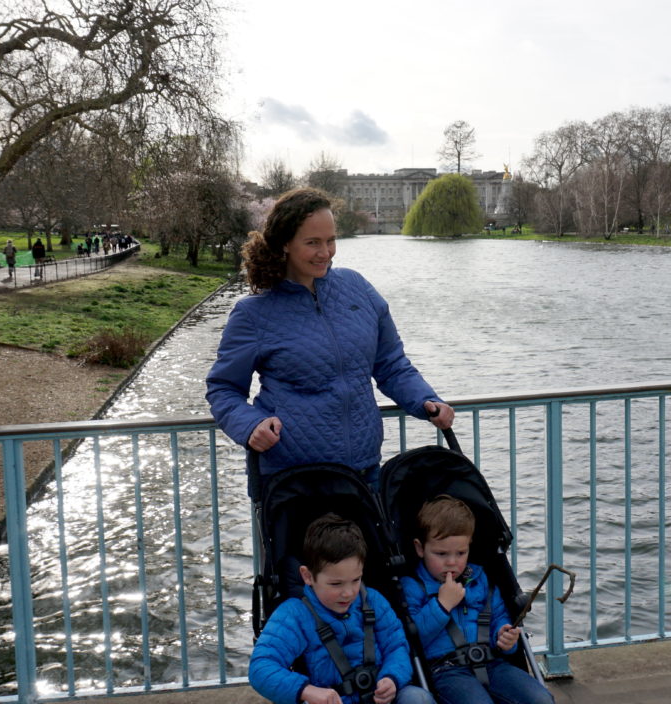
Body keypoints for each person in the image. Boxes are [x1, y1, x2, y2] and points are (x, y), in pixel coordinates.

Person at [206, 187, 454, 495]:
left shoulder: (357, 288)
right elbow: (223, 388)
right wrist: (250, 425)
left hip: (364, 473)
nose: (325, 252)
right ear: (285, 244)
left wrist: (425, 400)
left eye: (331, 240)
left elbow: (390, 364)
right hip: (292, 481)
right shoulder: (254, 312)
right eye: (313, 243)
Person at [249, 513, 433, 704]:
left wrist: (392, 677)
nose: (348, 593)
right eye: (336, 584)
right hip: (333, 700)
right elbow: (261, 667)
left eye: (355, 580)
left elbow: (396, 646)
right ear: (308, 576)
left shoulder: (373, 601)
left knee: (417, 697)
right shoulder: (295, 615)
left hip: (380, 697)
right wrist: (307, 691)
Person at [401, 496, 554, 704]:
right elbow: (413, 640)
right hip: (446, 669)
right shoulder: (413, 586)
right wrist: (441, 605)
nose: (452, 562)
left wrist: (505, 638)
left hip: (491, 661)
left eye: (461, 553)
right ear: (420, 548)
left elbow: (498, 616)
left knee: (541, 699)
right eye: (441, 554)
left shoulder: (479, 579)